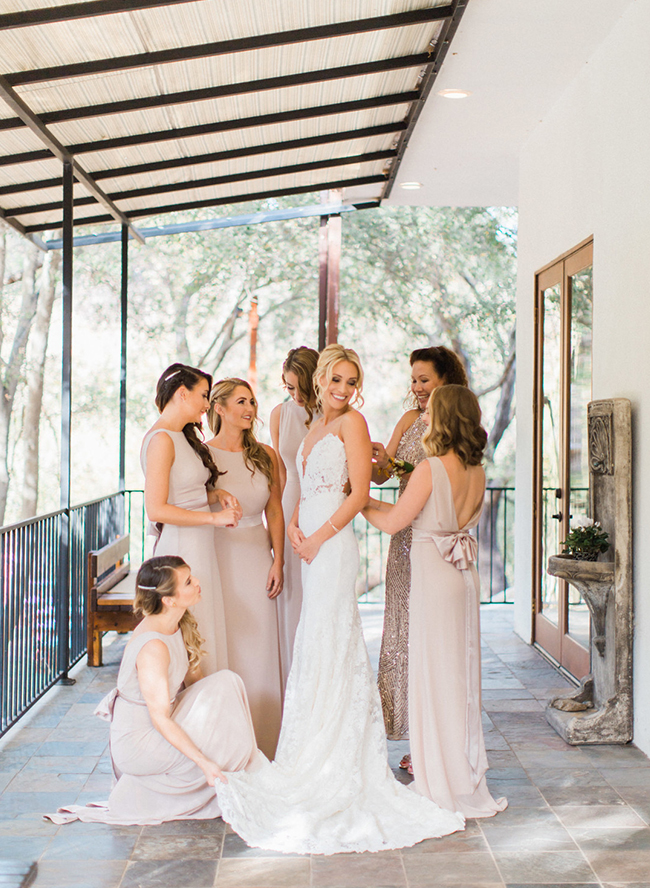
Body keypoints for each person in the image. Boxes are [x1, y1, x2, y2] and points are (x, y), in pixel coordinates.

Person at [213, 345, 464, 855]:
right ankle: (311, 755)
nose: (345, 389)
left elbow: (354, 494)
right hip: (311, 547)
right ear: (323, 378)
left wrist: (318, 537)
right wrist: (297, 536)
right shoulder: (310, 429)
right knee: (315, 645)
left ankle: (338, 763)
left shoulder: (353, 423)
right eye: (338, 380)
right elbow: (304, 489)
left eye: (353, 382)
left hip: (331, 547)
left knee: (331, 642)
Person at [363, 385, 507, 818]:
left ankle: (438, 775)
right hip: (462, 577)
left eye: (430, 413)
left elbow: (392, 523)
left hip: (433, 576)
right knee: (458, 678)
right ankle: (459, 771)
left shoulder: (430, 469)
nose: (422, 417)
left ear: (443, 417)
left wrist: (355, 500)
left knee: (432, 675)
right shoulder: (477, 470)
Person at [47, 556, 261, 825]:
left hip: (162, 720)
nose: (197, 583)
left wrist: (218, 722)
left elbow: (199, 684)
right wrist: (204, 760)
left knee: (227, 683)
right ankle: (205, 778)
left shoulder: (178, 623)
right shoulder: (153, 647)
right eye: (188, 581)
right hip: (140, 742)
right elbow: (159, 718)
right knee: (214, 743)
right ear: (168, 600)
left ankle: (245, 768)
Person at [372, 346, 468, 752]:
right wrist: (376, 460)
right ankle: (404, 731)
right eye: (413, 380)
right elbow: (381, 476)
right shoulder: (410, 420)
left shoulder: (460, 430)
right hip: (403, 539)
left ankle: (430, 742)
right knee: (400, 633)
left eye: (424, 379)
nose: (416, 388)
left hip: (435, 536)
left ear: (446, 380)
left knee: (431, 636)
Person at [140, 363, 241, 675]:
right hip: (182, 548)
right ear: (182, 394)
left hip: (201, 546)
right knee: (192, 631)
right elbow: (156, 509)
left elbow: (185, 492)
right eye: (203, 395)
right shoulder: (161, 440)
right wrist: (214, 519)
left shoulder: (180, 437)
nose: (207, 404)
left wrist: (216, 496)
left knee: (206, 624)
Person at [206, 378, 284, 759]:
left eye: (252, 401)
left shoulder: (265, 455)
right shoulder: (203, 456)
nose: (250, 409)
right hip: (217, 556)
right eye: (241, 402)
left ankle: (265, 741)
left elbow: (275, 511)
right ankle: (225, 744)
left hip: (256, 556)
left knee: (260, 647)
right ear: (219, 408)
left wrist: (279, 559)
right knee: (227, 645)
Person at [269, 346, 320, 685]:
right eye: (289, 387)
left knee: (318, 593)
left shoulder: (332, 415)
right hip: (289, 506)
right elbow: (278, 475)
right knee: (292, 596)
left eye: (300, 387)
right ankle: (292, 682)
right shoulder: (279, 414)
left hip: (323, 507)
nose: (295, 395)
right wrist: (273, 523)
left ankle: (317, 676)